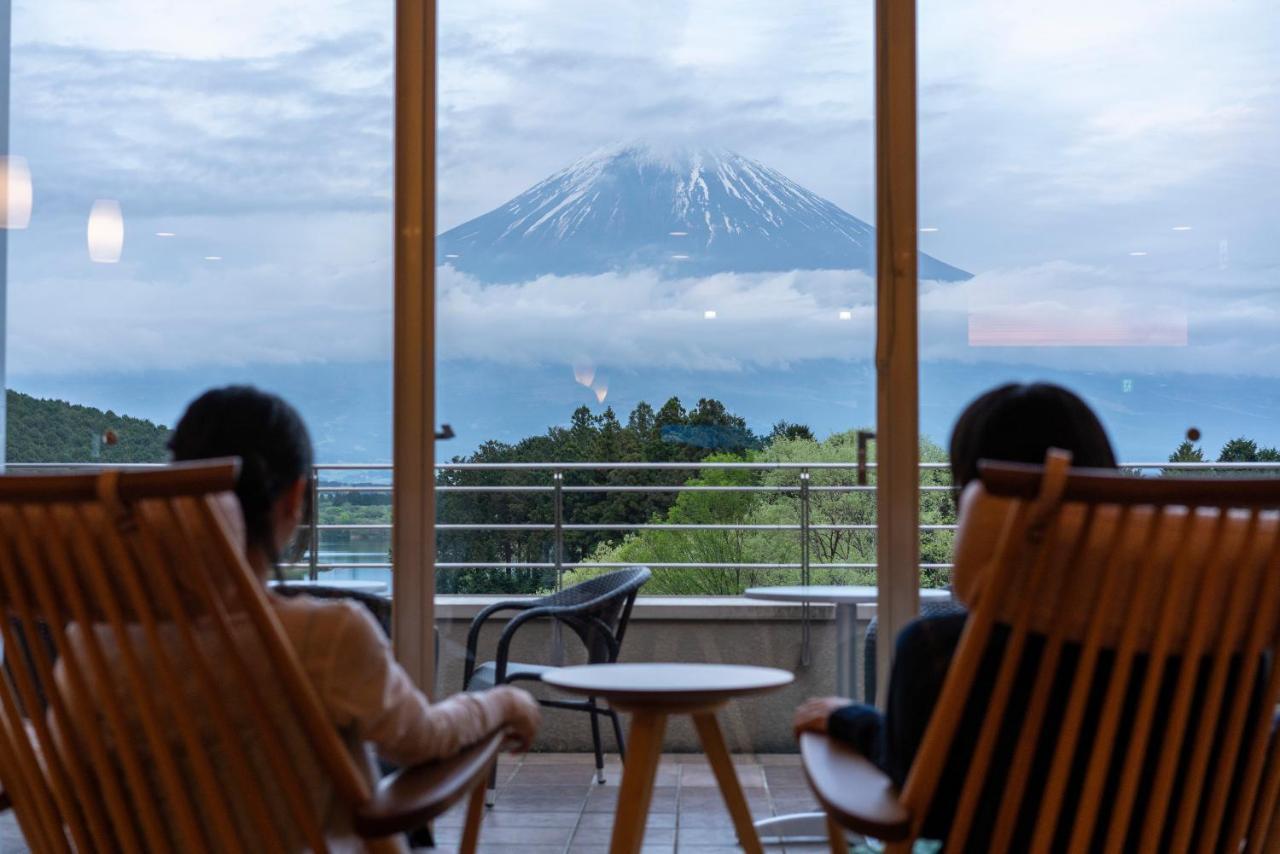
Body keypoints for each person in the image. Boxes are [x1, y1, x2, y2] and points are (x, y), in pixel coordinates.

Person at [61, 386, 542, 851]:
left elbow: (61, 766)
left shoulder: (89, 646)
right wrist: (502, 704)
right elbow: (421, 740)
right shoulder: (324, 635)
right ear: (294, 498)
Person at [793, 382, 1118, 799]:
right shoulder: (1203, 645)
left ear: (976, 506)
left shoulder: (941, 652)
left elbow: (914, 779)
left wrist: (848, 719)